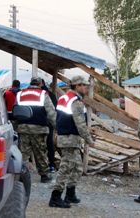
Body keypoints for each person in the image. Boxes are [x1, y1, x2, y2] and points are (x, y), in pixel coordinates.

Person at [49, 76, 94, 208]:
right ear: (77, 86)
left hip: (67, 138)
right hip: (69, 138)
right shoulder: (76, 102)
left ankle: (70, 194)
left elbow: (55, 117)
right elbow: (80, 124)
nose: (86, 88)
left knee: (77, 168)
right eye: (84, 85)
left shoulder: (64, 98)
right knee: (66, 168)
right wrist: (89, 140)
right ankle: (55, 197)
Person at [16, 77, 56, 183]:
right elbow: (51, 113)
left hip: (23, 128)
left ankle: (20, 175)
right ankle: (44, 175)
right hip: (39, 129)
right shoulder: (43, 94)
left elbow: (16, 110)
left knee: (23, 153)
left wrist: (17, 126)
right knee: (40, 152)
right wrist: (57, 127)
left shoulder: (20, 94)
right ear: (40, 84)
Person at [41, 79, 57, 173]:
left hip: (40, 123)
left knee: (40, 146)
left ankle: (45, 165)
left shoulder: (43, 94)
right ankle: (51, 165)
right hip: (48, 124)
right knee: (49, 144)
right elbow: (54, 110)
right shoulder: (51, 95)